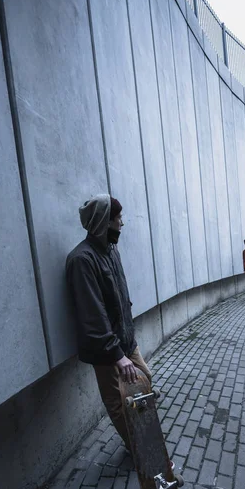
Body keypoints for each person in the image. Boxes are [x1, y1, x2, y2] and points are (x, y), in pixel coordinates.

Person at [65, 193, 151, 452]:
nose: (122, 223)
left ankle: (145, 432)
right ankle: (138, 448)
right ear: (104, 221)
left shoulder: (112, 250)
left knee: (145, 380)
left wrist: (128, 340)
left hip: (126, 341)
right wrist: (117, 355)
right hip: (106, 351)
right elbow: (93, 314)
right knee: (117, 401)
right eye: (118, 218)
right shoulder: (82, 260)